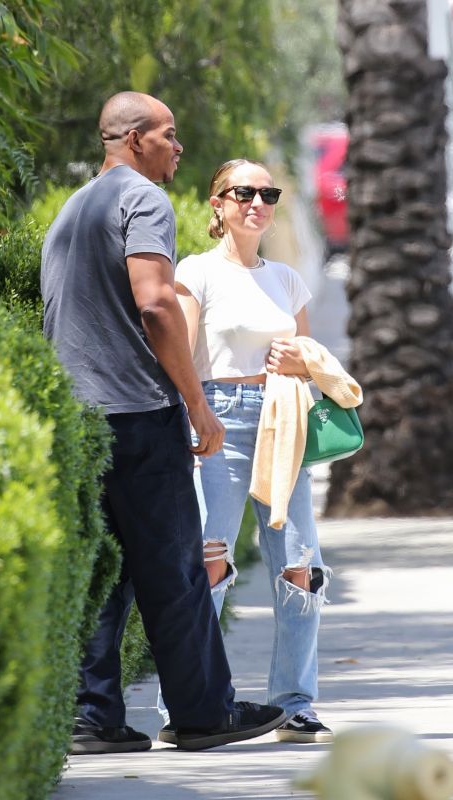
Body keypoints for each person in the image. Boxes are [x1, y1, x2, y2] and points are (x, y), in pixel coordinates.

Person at [40, 94, 286, 754]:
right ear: (131, 138)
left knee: (110, 575)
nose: (177, 147)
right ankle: (204, 714)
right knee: (176, 570)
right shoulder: (140, 200)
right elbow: (154, 306)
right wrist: (195, 403)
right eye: (167, 134)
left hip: (81, 418)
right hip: (140, 416)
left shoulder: (72, 208)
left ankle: (92, 718)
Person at [157, 158, 334, 744]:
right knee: (209, 564)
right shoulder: (196, 273)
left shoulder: (287, 280)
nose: (257, 202)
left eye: (268, 193)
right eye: (244, 192)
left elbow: (312, 361)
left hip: (284, 423)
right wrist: (192, 420)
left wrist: (299, 361)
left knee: (300, 568)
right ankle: (189, 703)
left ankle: (296, 703)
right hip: (219, 421)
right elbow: (180, 356)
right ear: (218, 204)